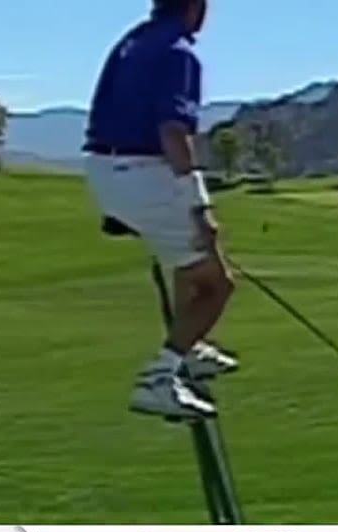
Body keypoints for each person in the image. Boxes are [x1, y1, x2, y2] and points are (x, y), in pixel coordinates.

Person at [83, 0, 236, 419]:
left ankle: (191, 348)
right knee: (216, 285)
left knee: (185, 267)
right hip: (143, 173)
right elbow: (173, 132)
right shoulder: (179, 53)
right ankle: (161, 377)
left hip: (104, 169)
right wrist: (199, 205)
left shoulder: (134, 41)